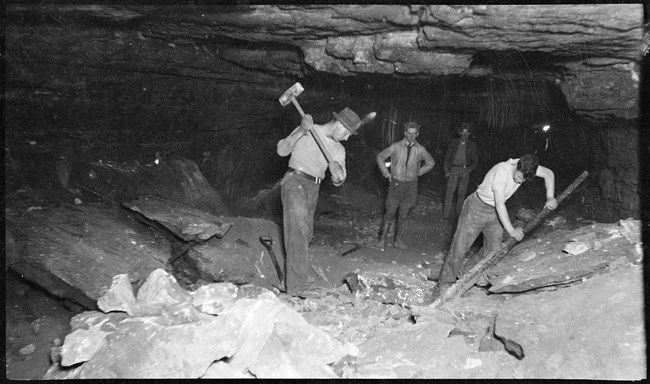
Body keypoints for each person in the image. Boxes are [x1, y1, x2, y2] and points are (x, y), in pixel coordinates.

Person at [432, 153, 557, 295]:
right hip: (477, 207)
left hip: (494, 212)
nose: (520, 181)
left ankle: (467, 274)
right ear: (517, 166)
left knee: (494, 250)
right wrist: (510, 230)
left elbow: (548, 173)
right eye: (519, 177)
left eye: (524, 180)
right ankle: (445, 283)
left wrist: (550, 197)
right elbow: (500, 205)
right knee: (460, 246)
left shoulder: (527, 165)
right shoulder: (501, 172)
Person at [276, 107, 363, 294]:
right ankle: (297, 286)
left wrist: (337, 171)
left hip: (314, 187)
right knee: (298, 229)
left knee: (304, 233)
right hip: (295, 180)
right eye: (346, 132)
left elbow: (339, 179)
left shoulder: (339, 149)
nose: (347, 138)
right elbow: (282, 150)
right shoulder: (308, 128)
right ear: (338, 124)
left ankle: (288, 280)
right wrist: (300, 130)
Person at [376, 121, 435, 250]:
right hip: (396, 184)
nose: (411, 136)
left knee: (404, 213)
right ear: (405, 133)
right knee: (390, 211)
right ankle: (382, 240)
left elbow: (431, 162)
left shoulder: (421, 149)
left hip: (411, 185)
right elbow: (380, 157)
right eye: (409, 133)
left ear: (417, 134)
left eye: (414, 134)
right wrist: (387, 174)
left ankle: (398, 240)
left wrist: (419, 172)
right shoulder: (396, 146)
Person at [442, 122, 478, 222]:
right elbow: (447, 158)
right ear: (460, 133)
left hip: (465, 170)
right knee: (449, 193)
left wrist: (469, 170)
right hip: (454, 170)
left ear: (469, 134)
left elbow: (475, 161)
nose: (465, 135)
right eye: (463, 132)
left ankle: (459, 217)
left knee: (461, 194)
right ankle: (445, 216)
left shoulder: (472, 145)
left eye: (467, 133)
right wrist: (447, 171)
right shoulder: (454, 143)